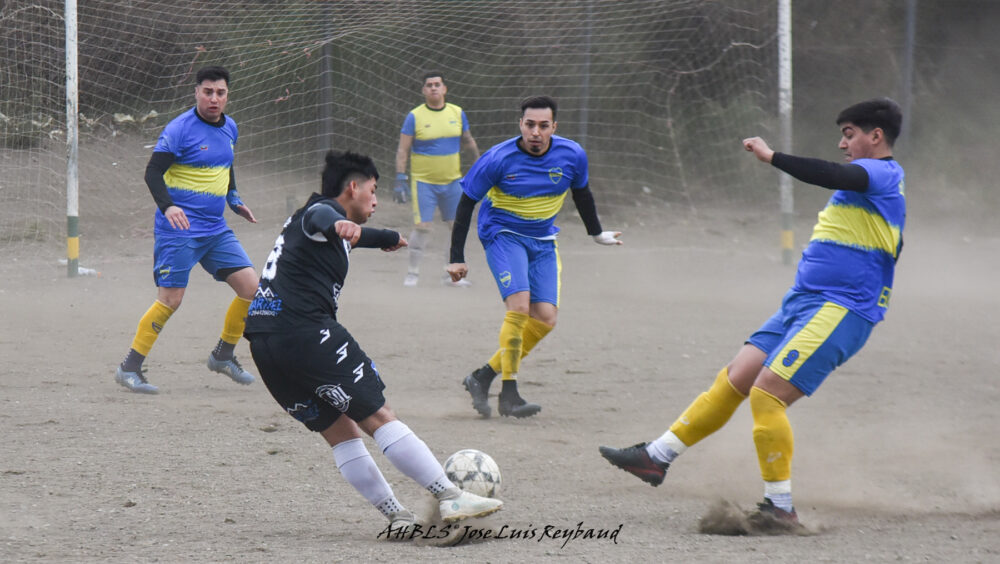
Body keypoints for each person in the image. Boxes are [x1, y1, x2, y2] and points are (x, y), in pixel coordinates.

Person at [599, 98, 906, 529]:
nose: (842, 142)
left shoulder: (882, 173)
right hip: (803, 302)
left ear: (876, 136)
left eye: (849, 133)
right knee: (737, 376)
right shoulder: (867, 188)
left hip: (842, 309)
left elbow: (833, 173)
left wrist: (773, 156)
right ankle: (656, 457)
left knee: (767, 393)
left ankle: (780, 508)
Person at [244, 150, 503, 536]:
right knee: (378, 417)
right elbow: (325, 219)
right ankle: (449, 494)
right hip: (305, 333)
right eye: (373, 189)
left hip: (265, 344)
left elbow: (352, 235)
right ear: (353, 187)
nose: (376, 198)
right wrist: (342, 225)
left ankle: (397, 517)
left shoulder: (308, 225)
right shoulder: (320, 214)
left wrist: (387, 238)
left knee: (341, 432)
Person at [449, 95, 623, 419]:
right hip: (503, 233)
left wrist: (596, 233)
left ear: (554, 127)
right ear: (521, 125)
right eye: (530, 125)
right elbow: (466, 202)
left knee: (545, 318)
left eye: (544, 126)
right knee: (518, 308)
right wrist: (456, 257)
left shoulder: (572, 155)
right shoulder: (497, 159)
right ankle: (509, 393)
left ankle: (482, 376)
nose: (536, 132)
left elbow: (581, 193)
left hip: (543, 238)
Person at [115, 66, 258, 394]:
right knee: (171, 300)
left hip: (215, 230)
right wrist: (169, 206)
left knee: (252, 290)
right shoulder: (180, 129)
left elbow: (227, 166)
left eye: (220, 93)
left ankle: (223, 355)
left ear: (227, 96)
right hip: (178, 231)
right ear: (196, 92)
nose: (214, 98)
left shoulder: (230, 128)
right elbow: (153, 172)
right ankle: (129, 367)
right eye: (208, 92)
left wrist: (234, 199)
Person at [393, 71, 480, 287]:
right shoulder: (415, 116)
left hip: (452, 182)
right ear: (423, 90)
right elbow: (403, 150)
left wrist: (480, 167)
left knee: (456, 227)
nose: (433, 88)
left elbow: (468, 141)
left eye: (437, 84)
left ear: (444, 89)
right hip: (424, 183)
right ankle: (412, 274)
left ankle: (451, 275)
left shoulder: (457, 113)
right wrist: (400, 178)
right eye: (429, 85)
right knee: (422, 226)